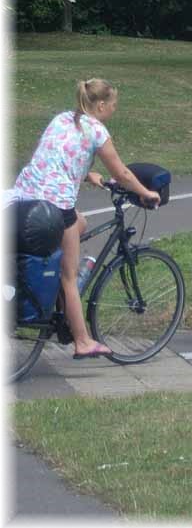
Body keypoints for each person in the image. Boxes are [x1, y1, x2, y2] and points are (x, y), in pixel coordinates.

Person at [11, 79, 161, 358]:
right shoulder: (97, 131)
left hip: (24, 196)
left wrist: (86, 174)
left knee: (81, 223)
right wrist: (146, 193)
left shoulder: (64, 118)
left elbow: (56, 158)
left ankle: (55, 291)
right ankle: (83, 341)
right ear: (101, 105)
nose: (114, 110)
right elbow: (122, 175)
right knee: (69, 276)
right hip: (55, 206)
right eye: (113, 105)